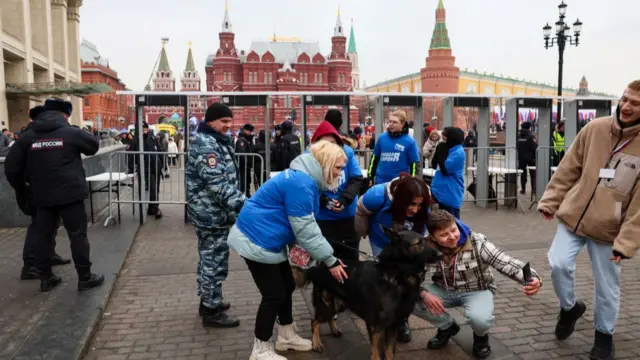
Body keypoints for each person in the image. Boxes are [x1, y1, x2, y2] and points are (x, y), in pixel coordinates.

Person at [538, 80, 640, 360]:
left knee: (607, 286)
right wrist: (550, 201)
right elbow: (569, 167)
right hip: (573, 216)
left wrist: (626, 242)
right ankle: (570, 308)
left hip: (610, 229)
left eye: (636, 103)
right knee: (557, 263)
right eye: (625, 99)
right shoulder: (595, 128)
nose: (627, 106)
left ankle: (604, 336)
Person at [228, 140, 348, 360]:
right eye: (339, 168)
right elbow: (306, 228)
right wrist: (330, 260)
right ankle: (260, 348)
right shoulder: (301, 183)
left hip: (266, 238)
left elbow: (302, 226)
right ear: (326, 163)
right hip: (257, 239)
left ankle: (286, 335)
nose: (341, 173)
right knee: (273, 294)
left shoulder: (303, 179)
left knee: (286, 285)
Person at [4, 98, 104, 292]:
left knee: (43, 236)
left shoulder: (27, 137)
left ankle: (46, 278)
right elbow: (93, 146)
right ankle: (85, 277)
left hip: (42, 196)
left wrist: (24, 190)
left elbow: (11, 168)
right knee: (77, 236)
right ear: (65, 115)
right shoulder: (70, 132)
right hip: (71, 195)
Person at [414, 210, 541, 359]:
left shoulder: (476, 241)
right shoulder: (425, 247)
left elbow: (503, 261)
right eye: (443, 235)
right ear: (433, 237)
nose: (452, 237)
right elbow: (411, 276)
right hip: (443, 290)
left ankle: (481, 338)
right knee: (409, 300)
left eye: (453, 230)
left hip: (478, 290)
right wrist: (423, 293)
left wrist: (531, 277)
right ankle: (447, 326)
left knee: (479, 319)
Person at [186, 103, 247, 328]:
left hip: (215, 213)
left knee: (211, 259)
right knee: (214, 261)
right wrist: (245, 205)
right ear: (210, 121)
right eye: (223, 121)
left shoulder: (216, 141)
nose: (228, 126)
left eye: (230, 121)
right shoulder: (207, 145)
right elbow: (217, 184)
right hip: (210, 215)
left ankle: (210, 301)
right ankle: (211, 311)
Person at [355, 174, 431, 343]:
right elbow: (360, 210)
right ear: (400, 198)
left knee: (408, 282)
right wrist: (362, 232)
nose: (415, 209)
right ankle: (381, 312)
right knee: (386, 281)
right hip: (382, 242)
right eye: (411, 204)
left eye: (419, 205)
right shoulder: (377, 195)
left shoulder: (424, 201)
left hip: (410, 246)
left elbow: (425, 227)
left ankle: (402, 319)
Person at [10, 105, 70, 280]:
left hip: (47, 188)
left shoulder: (40, 134)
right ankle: (31, 265)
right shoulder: (29, 137)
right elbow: (12, 167)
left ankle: (48, 256)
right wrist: (23, 188)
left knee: (49, 225)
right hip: (36, 189)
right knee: (38, 227)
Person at [312, 115, 363, 260]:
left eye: (333, 142)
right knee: (325, 261)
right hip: (323, 217)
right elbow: (308, 186)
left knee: (351, 259)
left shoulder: (347, 152)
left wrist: (345, 199)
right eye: (325, 143)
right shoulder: (309, 156)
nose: (329, 147)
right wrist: (324, 201)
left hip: (347, 215)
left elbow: (356, 178)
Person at [368, 110, 420, 184]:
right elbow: (374, 158)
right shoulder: (382, 138)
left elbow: (414, 165)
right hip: (380, 182)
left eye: (395, 122)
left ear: (402, 124)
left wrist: (413, 182)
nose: (391, 124)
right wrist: (370, 176)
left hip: (400, 184)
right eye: (390, 121)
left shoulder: (410, 142)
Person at [128, 122, 163, 219]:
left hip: (156, 166)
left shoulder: (153, 138)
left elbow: (159, 151)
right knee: (152, 188)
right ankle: (155, 208)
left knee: (156, 188)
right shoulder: (136, 140)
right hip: (146, 168)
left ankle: (152, 208)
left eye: (145, 128)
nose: (143, 130)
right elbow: (131, 155)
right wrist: (131, 168)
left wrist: (163, 165)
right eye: (141, 128)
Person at [430, 127, 466, 219]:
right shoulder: (449, 149)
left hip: (449, 194)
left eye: (445, 136)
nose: (443, 138)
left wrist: (442, 153)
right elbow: (434, 165)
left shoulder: (458, 153)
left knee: (451, 222)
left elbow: (445, 169)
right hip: (438, 192)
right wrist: (438, 152)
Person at [516, 122, 537, 195]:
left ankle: (523, 189)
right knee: (533, 174)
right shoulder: (531, 136)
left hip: (521, 158)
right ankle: (533, 190)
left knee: (523, 174)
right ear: (529, 128)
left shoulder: (519, 136)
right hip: (531, 158)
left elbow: (517, 146)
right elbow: (535, 147)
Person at [235, 123, 255, 197]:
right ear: (245, 130)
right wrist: (246, 164)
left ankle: (246, 194)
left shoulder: (247, 139)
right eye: (249, 131)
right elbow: (242, 154)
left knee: (247, 181)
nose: (250, 132)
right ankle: (242, 196)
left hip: (247, 166)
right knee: (243, 182)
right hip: (243, 166)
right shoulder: (242, 140)